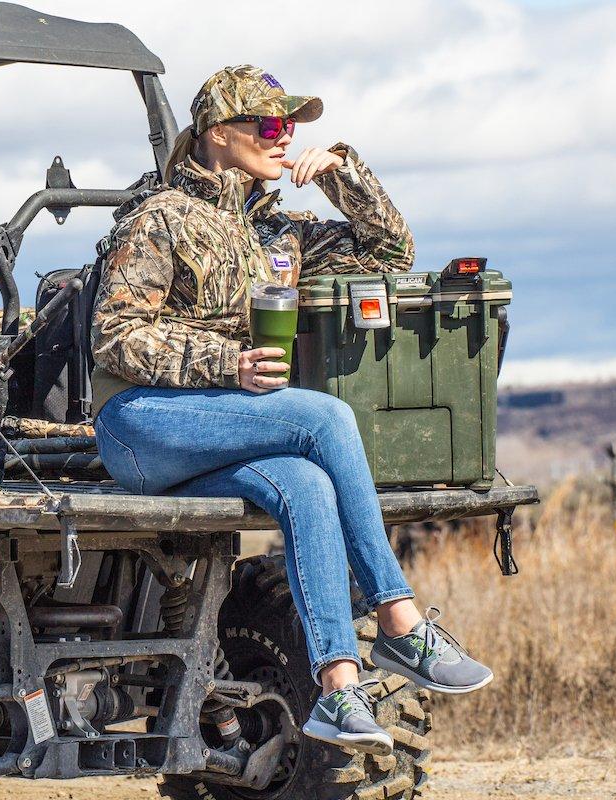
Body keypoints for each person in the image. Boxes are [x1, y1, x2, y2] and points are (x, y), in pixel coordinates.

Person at [90, 65, 492, 756]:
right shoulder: (160, 217)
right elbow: (115, 334)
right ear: (219, 133)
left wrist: (341, 172)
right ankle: (400, 622)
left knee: (305, 485)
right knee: (325, 418)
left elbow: (391, 254)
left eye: (292, 127)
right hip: (141, 423)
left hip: (222, 428)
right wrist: (228, 365)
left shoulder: (282, 234)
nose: (285, 139)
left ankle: (338, 687)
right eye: (271, 125)